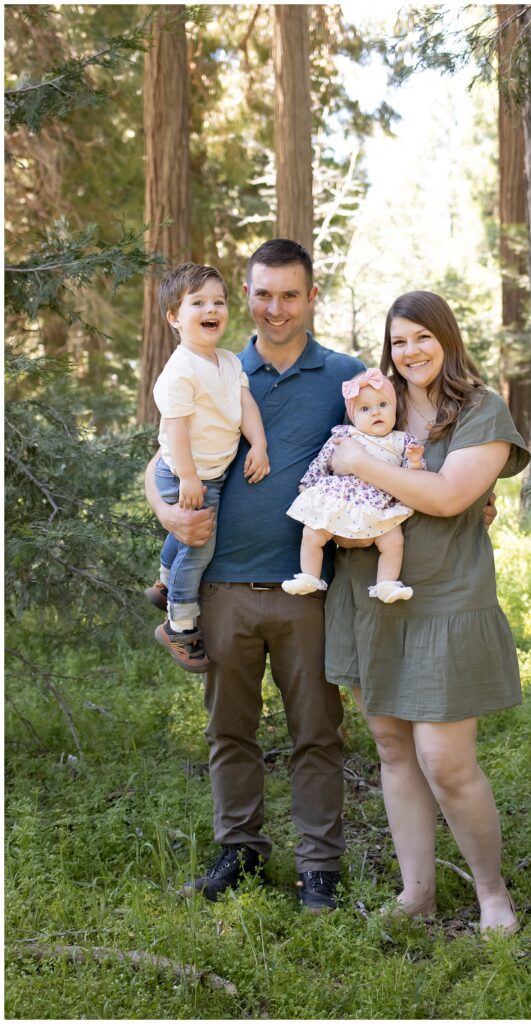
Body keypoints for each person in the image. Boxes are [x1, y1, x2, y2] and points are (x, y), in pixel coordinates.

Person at [145, 239, 365, 910]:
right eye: (263, 294)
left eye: (290, 295)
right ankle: (239, 853)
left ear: (311, 297)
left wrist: (473, 492)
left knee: (316, 733)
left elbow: (399, 437)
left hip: (306, 589)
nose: (275, 308)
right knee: (230, 731)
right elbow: (160, 459)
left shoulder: (345, 375)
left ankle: (320, 868)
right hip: (223, 588)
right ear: (245, 296)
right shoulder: (209, 363)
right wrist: (167, 512)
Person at [325, 290, 530, 936]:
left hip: (446, 596)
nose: (409, 351)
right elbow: (329, 481)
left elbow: (447, 497)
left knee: (445, 758)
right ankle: (419, 894)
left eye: (422, 337)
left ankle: (492, 893)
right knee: (391, 746)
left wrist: (360, 462)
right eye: (399, 340)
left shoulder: (480, 410)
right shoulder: (371, 405)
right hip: (369, 593)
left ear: (447, 338)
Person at [147, 262, 269, 672]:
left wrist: (260, 444)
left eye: (218, 301)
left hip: (208, 474)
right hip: (184, 474)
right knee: (198, 549)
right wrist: (188, 478)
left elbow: (244, 404)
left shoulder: (229, 362)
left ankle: (166, 583)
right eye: (197, 302)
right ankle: (178, 627)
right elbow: (176, 431)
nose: (210, 309)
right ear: (174, 318)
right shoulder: (179, 371)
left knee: (187, 544)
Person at [282, 367, 425, 603]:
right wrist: (308, 484)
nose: (375, 413)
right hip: (340, 501)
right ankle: (309, 575)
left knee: (393, 541)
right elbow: (322, 460)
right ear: (353, 415)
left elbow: (413, 479)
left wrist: (415, 460)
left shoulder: (401, 441)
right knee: (312, 533)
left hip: (378, 504)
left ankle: (386, 583)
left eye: (382, 405)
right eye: (365, 409)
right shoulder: (346, 435)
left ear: (394, 407)